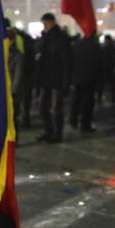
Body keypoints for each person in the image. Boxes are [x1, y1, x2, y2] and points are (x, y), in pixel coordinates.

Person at [34, 12, 73, 144]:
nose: (44, 26)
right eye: (43, 23)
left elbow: (67, 61)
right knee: (42, 106)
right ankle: (48, 130)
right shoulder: (43, 38)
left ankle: (57, 134)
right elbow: (39, 54)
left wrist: (66, 81)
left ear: (52, 22)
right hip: (45, 77)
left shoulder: (61, 38)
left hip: (57, 78)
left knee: (56, 108)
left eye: (46, 23)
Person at [68, 33, 103, 133]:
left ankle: (73, 120)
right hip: (90, 77)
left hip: (78, 76)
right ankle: (85, 124)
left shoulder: (78, 43)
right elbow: (100, 62)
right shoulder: (95, 45)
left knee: (77, 99)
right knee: (88, 102)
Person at [6, 27, 28, 144]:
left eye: (7, 40)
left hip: (12, 91)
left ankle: (13, 140)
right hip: (1, 91)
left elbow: (18, 75)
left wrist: (13, 92)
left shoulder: (18, 55)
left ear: (12, 40)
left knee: (13, 118)